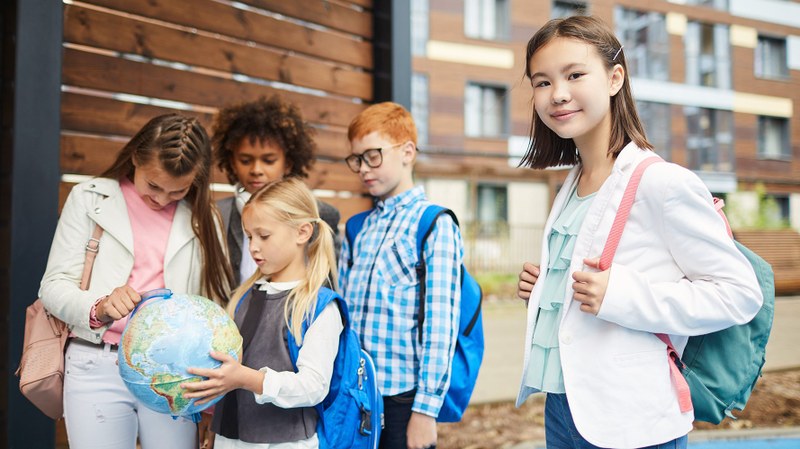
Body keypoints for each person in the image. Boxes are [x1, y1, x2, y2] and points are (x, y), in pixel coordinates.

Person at [514, 15, 763, 449]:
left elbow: (739, 293)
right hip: (565, 407)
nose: (558, 94)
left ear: (615, 79)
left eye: (574, 75)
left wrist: (621, 295)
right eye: (542, 82)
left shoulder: (661, 183)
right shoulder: (571, 184)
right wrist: (546, 290)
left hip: (633, 417)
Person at [39, 114, 234, 449]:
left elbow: (215, 307)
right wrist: (99, 306)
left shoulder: (205, 218)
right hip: (96, 362)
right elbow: (53, 286)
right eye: (153, 186)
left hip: (177, 373)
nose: (162, 199)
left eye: (179, 190)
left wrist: (211, 403)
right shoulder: (89, 198)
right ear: (135, 158)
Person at [181, 178, 342, 449]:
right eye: (249, 237)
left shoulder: (320, 306)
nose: (253, 247)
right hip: (229, 439)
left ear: (302, 232)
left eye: (264, 236)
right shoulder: (244, 295)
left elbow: (314, 386)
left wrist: (247, 379)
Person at [339, 102, 462, 449]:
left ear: (407, 152)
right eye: (356, 159)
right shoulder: (357, 228)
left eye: (373, 156)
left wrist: (425, 411)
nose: (363, 168)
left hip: (403, 401)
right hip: (355, 395)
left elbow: (441, 325)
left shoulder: (434, 224)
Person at [212, 95, 341, 285]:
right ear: (232, 162)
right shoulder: (217, 215)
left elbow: (328, 281)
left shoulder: (320, 215)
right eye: (245, 160)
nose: (256, 170)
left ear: (288, 163)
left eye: (269, 160)